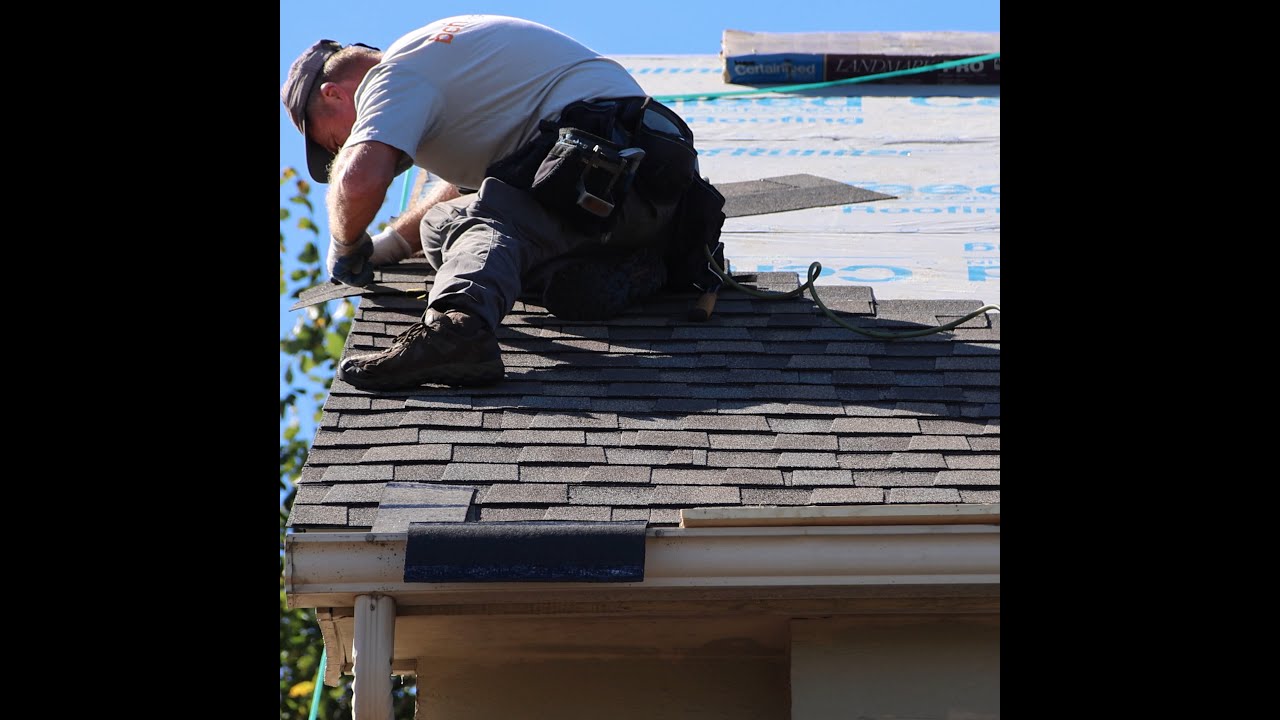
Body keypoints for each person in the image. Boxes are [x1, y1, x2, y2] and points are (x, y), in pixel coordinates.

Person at [281, 14, 724, 391]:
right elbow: (469, 187)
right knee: (441, 226)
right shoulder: (447, 65)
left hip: (609, 160)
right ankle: (630, 269)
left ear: (334, 94)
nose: (343, 149)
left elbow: (359, 180)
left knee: (491, 220)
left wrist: (344, 244)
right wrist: (382, 248)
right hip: (642, 200)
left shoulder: (394, 72)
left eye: (335, 141)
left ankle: (458, 330)